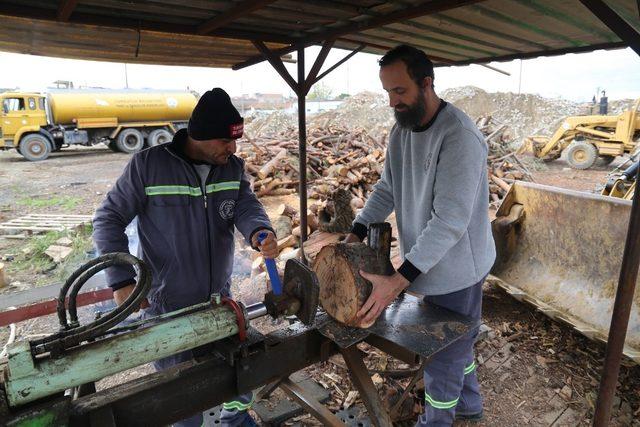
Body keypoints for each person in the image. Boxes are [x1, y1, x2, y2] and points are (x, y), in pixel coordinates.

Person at [93, 88, 277, 427]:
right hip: (167, 304)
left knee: (237, 373)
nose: (233, 149)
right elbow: (108, 220)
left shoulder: (232, 168)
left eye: (236, 140)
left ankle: (234, 422)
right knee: (180, 392)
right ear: (200, 136)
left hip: (220, 299)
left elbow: (246, 205)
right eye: (225, 141)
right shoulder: (148, 167)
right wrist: (121, 280)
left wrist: (259, 230)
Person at [343, 45, 496, 426]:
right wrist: (354, 235)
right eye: (387, 93)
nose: (393, 102)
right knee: (458, 343)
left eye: (400, 91)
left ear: (426, 83)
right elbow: (386, 189)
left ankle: (437, 421)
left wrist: (398, 280)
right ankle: (470, 405)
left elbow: (449, 221)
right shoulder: (403, 130)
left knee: (443, 356)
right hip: (427, 262)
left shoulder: (459, 136)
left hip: (460, 268)